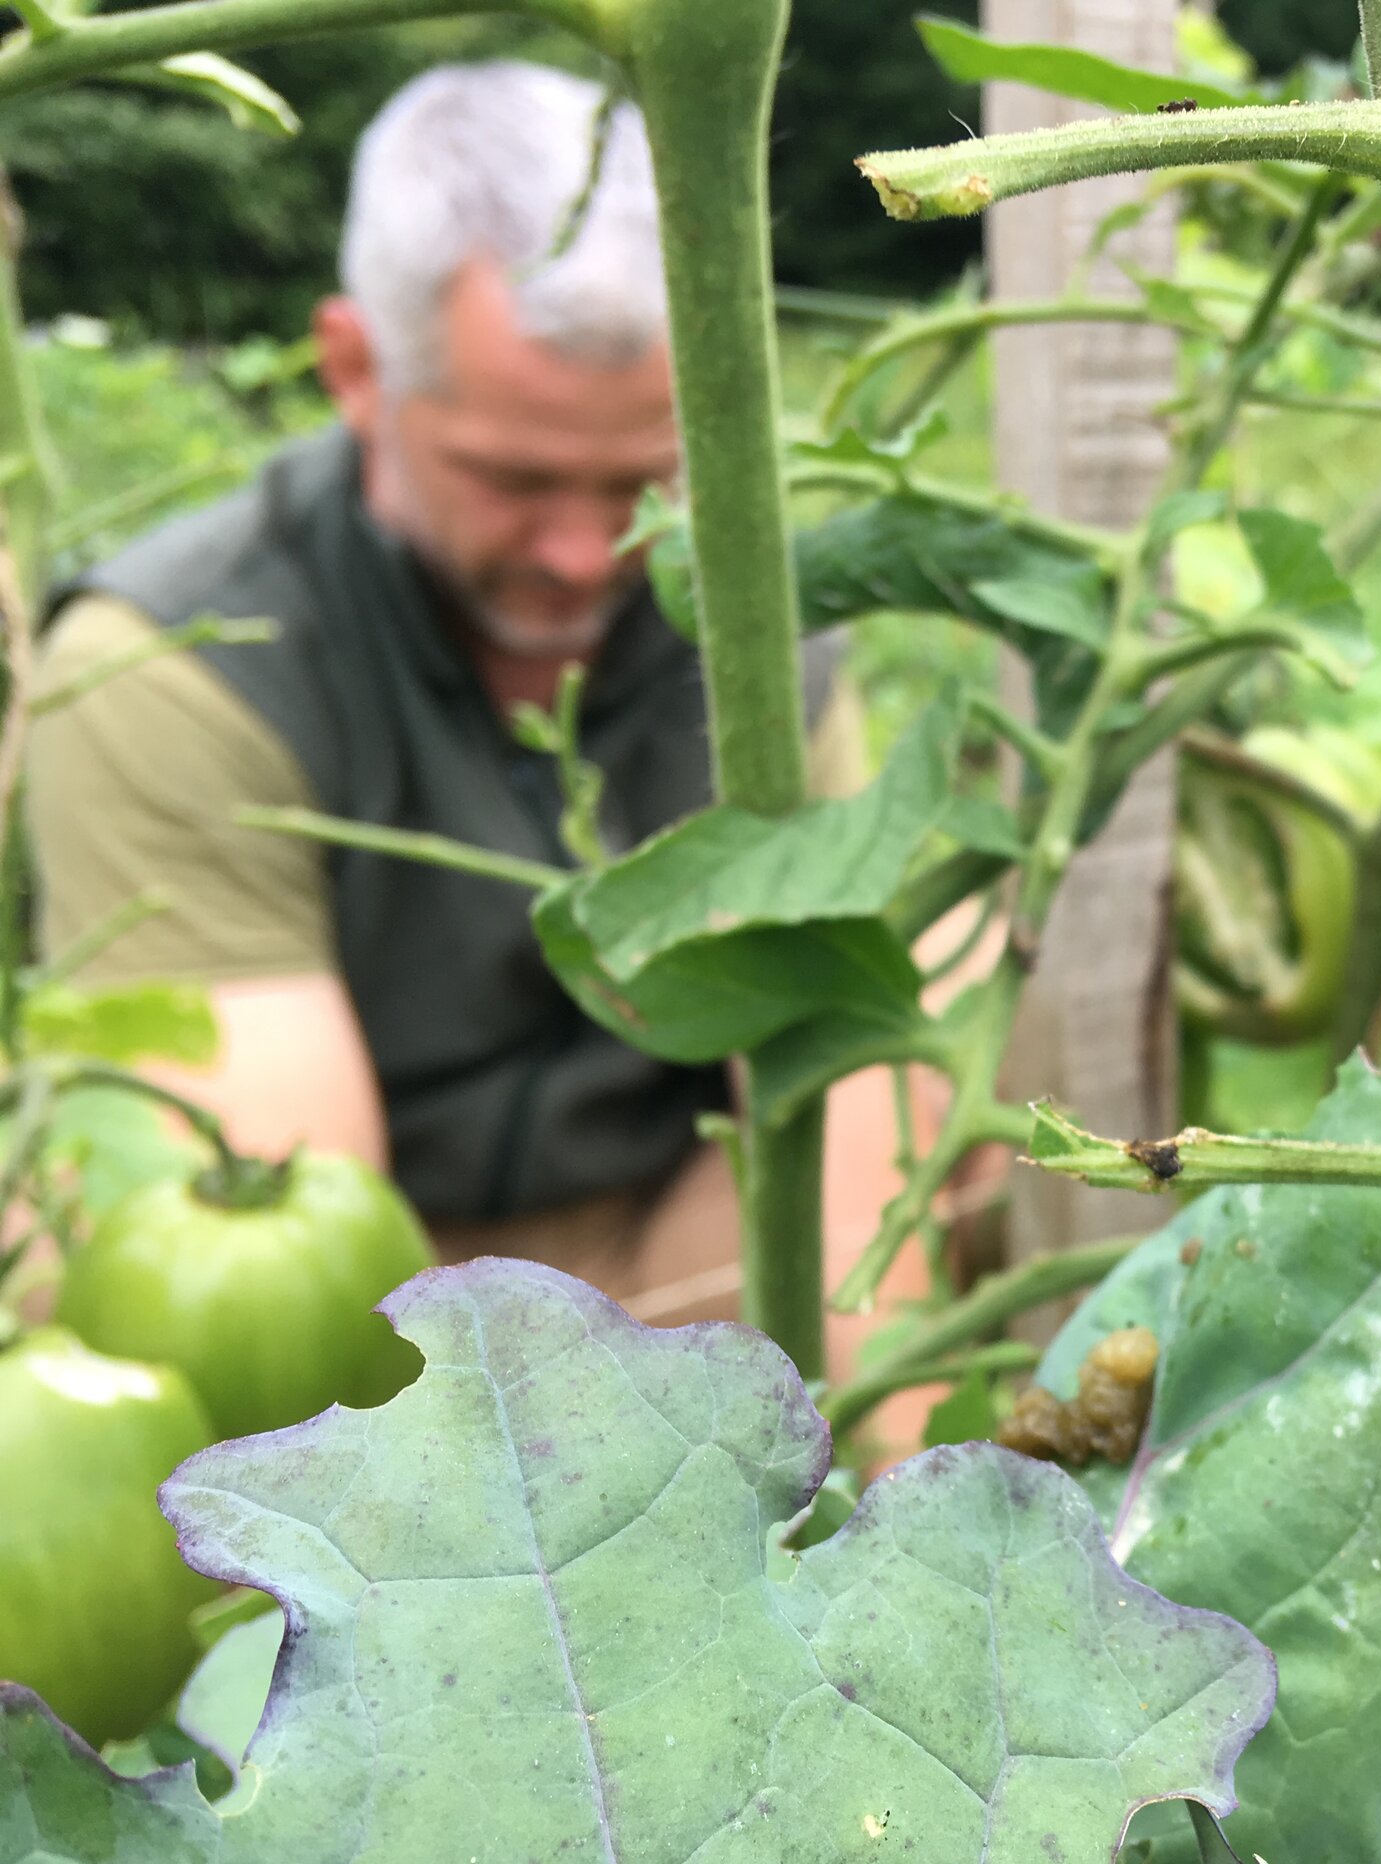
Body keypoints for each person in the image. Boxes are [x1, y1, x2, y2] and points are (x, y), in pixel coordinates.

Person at [25, 61, 927, 1356]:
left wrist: (891, 1483)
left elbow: (835, 1108)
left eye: (643, 483)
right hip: (381, 1291)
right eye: (514, 476)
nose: (582, 552)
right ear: (354, 367)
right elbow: (280, 1266)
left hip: (677, 1246)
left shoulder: (761, 640)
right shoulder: (182, 664)